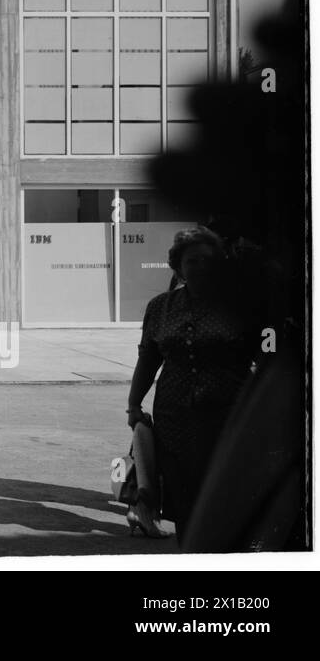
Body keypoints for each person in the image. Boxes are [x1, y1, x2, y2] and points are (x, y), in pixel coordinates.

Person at [125, 227, 258, 542]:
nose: (200, 267)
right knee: (183, 495)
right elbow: (148, 359)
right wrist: (134, 404)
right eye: (192, 261)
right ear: (178, 266)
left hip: (228, 412)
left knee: (226, 492)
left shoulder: (241, 306)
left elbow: (266, 355)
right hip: (174, 415)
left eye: (207, 260)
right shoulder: (160, 307)